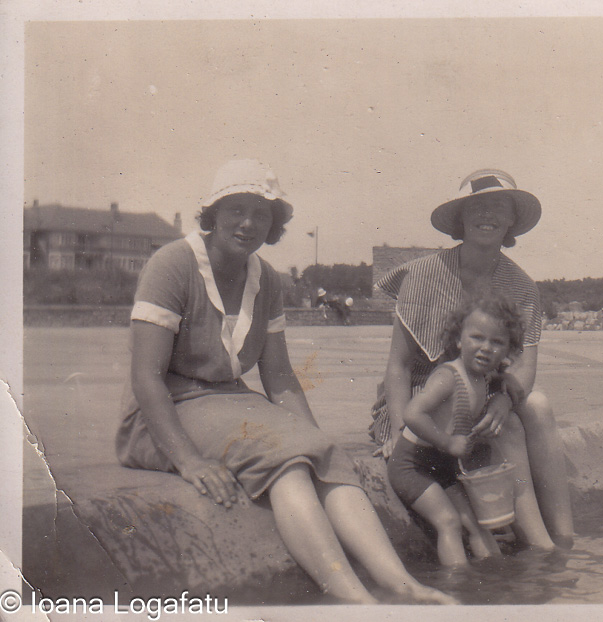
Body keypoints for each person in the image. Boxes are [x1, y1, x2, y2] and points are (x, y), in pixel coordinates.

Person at [115, 159, 456, 605]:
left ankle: (401, 584)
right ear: (213, 213)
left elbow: (278, 376)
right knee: (288, 463)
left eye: (262, 214)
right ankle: (356, 600)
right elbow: (146, 377)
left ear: (274, 224)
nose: (248, 223)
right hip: (162, 413)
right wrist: (188, 461)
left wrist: (316, 439)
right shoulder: (172, 265)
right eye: (236, 208)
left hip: (229, 403)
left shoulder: (267, 279)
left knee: (324, 455)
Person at [370, 169, 574, 548]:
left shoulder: (522, 286)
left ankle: (560, 536)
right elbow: (397, 366)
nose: (488, 215)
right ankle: (540, 542)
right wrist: (399, 431)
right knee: (510, 429)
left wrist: (502, 399)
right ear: (460, 218)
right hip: (423, 394)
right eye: (477, 207)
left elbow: (524, 367)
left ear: (512, 220)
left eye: (499, 207)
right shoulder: (423, 275)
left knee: (537, 406)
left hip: (479, 389)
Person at [388, 295, 533, 565]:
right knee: (450, 522)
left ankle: (493, 581)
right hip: (413, 466)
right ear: (458, 340)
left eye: (497, 342)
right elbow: (411, 413)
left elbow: (497, 381)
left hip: (443, 468)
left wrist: (506, 381)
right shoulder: (448, 377)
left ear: (508, 351)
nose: (486, 348)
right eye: (477, 338)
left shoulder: (486, 377)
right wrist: (446, 442)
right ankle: (458, 585)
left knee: (479, 525)